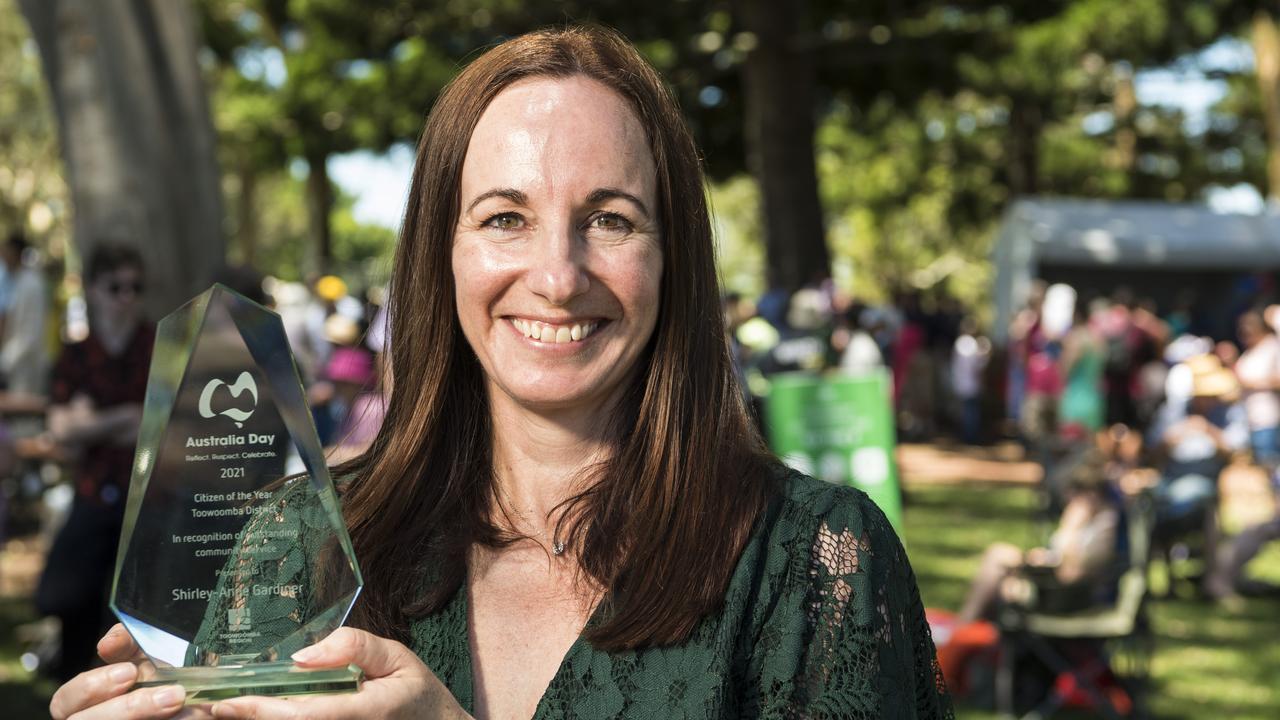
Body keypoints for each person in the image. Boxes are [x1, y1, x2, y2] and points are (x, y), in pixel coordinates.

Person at [51, 27, 952, 720]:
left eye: (610, 219)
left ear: (675, 259)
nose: (557, 278)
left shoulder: (818, 563)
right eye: (504, 218)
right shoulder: (304, 541)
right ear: (440, 256)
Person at [35, 243, 152, 682]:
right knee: (69, 596)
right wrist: (124, 417)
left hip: (146, 498)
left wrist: (93, 421)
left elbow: (155, 424)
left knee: (129, 608)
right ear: (94, 289)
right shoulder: (77, 354)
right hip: (94, 493)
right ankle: (68, 677)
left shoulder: (156, 344)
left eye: (135, 288)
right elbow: (62, 429)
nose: (126, 297)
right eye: (116, 287)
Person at [956, 449, 1121, 625]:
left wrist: (1071, 529)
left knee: (999, 571)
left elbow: (1071, 574)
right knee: (999, 568)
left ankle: (963, 630)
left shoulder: (1104, 526)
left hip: (1069, 597)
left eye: (1075, 494)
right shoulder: (1085, 519)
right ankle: (969, 633)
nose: (1069, 501)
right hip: (1052, 584)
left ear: (1092, 495)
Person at [0, 231, 50, 398]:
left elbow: (30, 333)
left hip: (26, 367)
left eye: (5, 251)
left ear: (15, 252)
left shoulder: (32, 284)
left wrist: (5, 360)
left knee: (23, 416)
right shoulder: (12, 280)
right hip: (12, 365)